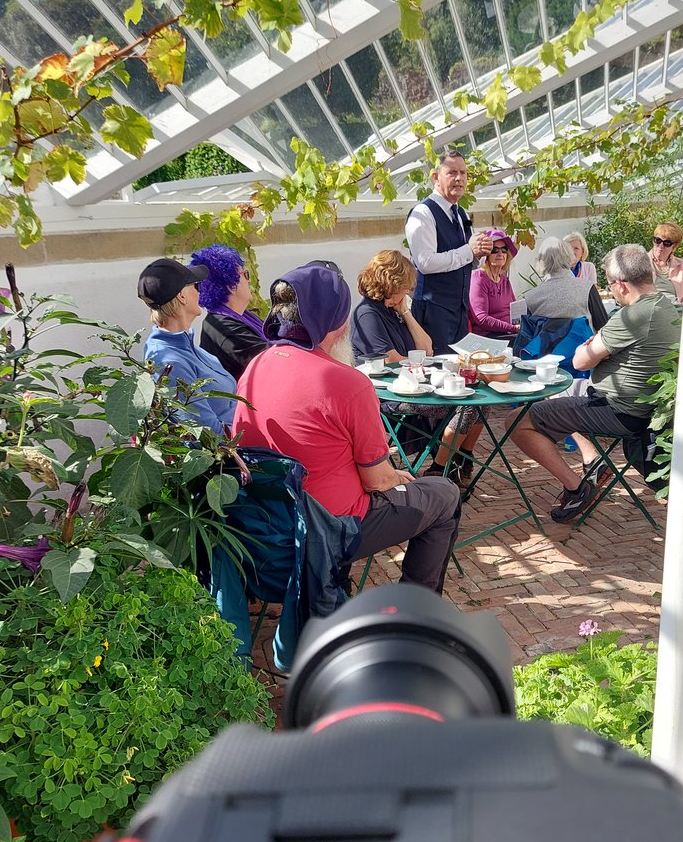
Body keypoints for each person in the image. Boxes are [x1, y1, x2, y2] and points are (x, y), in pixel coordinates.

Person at [232, 264, 461, 594]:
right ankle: (416, 609)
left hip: (267, 520)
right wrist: (397, 476)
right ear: (335, 323)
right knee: (445, 494)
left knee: (343, 471)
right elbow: (378, 480)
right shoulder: (347, 382)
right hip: (330, 527)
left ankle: (336, 584)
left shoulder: (258, 364)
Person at [511, 244, 680, 522]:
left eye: (611, 285)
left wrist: (595, 345)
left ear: (622, 286)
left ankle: (577, 488)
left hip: (619, 411)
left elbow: (580, 361)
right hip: (644, 408)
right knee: (558, 398)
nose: (611, 290)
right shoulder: (665, 305)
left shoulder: (632, 315)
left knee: (516, 422)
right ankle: (592, 459)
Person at [352, 248, 482, 487]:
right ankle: (440, 468)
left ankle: (461, 460)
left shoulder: (394, 311)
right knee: (466, 406)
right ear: (390, 283)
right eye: (405, 287)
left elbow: (427, 349)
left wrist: (406, 312)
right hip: (390, 396)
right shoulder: (367, 314)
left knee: (480, 402)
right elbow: (392, 360)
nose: (408, 292)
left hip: (414, 387)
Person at [137, 257, 238, 435]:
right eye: (196, 286)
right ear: (181, 297)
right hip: (236, 455)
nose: (200, 292)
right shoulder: (168, 360)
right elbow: (207, 434)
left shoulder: (184, 345)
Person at [405, 148, 492, 351]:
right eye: (452, 172)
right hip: (433, 310)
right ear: (436, 177)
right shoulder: (423, 213)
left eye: (463, 173)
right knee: (436, 371)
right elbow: (425, 263)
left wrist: (479, 252)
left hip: (459, 310)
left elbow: (466, 257)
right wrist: (469, 251)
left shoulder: (461, 213)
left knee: (458, 370)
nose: (459, 178)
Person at [188, 245, 267, 380]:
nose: (249, 280)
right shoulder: (226, 329)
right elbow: (272, 361)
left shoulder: (233, 318)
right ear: (231, 285)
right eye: (245, 275)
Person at [523, 236, 608, 331]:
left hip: (546, 346)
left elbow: (527, 336)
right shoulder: (587, 288)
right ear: (569, 257)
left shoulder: (531, 298)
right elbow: (604, 327)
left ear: (540, 261)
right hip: (582, 344)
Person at [469, 230, 520, 338]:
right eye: (495, 250)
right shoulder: (479, 279)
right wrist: (512, 328)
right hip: (489, 336)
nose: (500, 253)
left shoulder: (504, 280)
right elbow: (481, 318)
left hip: (509, 333)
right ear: (486, 255)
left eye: (504, 249)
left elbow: (514, 310)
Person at [648, 221, 683, 303]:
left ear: (674, 246)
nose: (661, 246)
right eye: (658, 240)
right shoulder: (640, 262)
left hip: (674, 310)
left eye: (667, 243)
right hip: (648, 308)